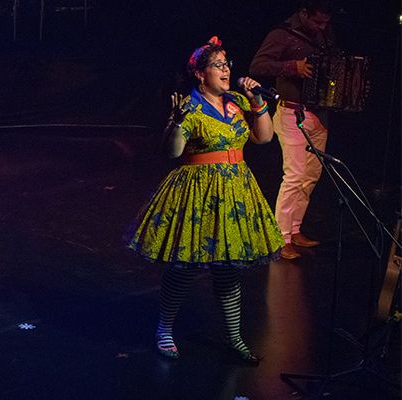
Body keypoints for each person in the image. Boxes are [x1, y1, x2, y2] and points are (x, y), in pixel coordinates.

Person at [126, 36, 283, 364]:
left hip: (236, 190)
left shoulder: (238, 101)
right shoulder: (190, 107)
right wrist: (177, 123)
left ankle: (235, 337)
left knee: (229, 268)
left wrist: (257, 100)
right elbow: (172, 153)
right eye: (219, 65)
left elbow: (264, 137)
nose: (227, 70)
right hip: (198, 191)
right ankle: (164, 329)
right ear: (200, 73)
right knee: (185, 266)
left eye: (228, 64)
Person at [250, 0, 335, 259]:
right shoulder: (282, 34)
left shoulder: (323, 35)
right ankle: (280, 237)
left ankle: (294, 229)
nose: (322, 27)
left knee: (311, 176)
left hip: (319, 114)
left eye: (325, 22)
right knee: (295, 175)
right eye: (317, 21)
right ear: (303, 14)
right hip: (291, 112)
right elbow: (258, 66)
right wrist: (292, 67)